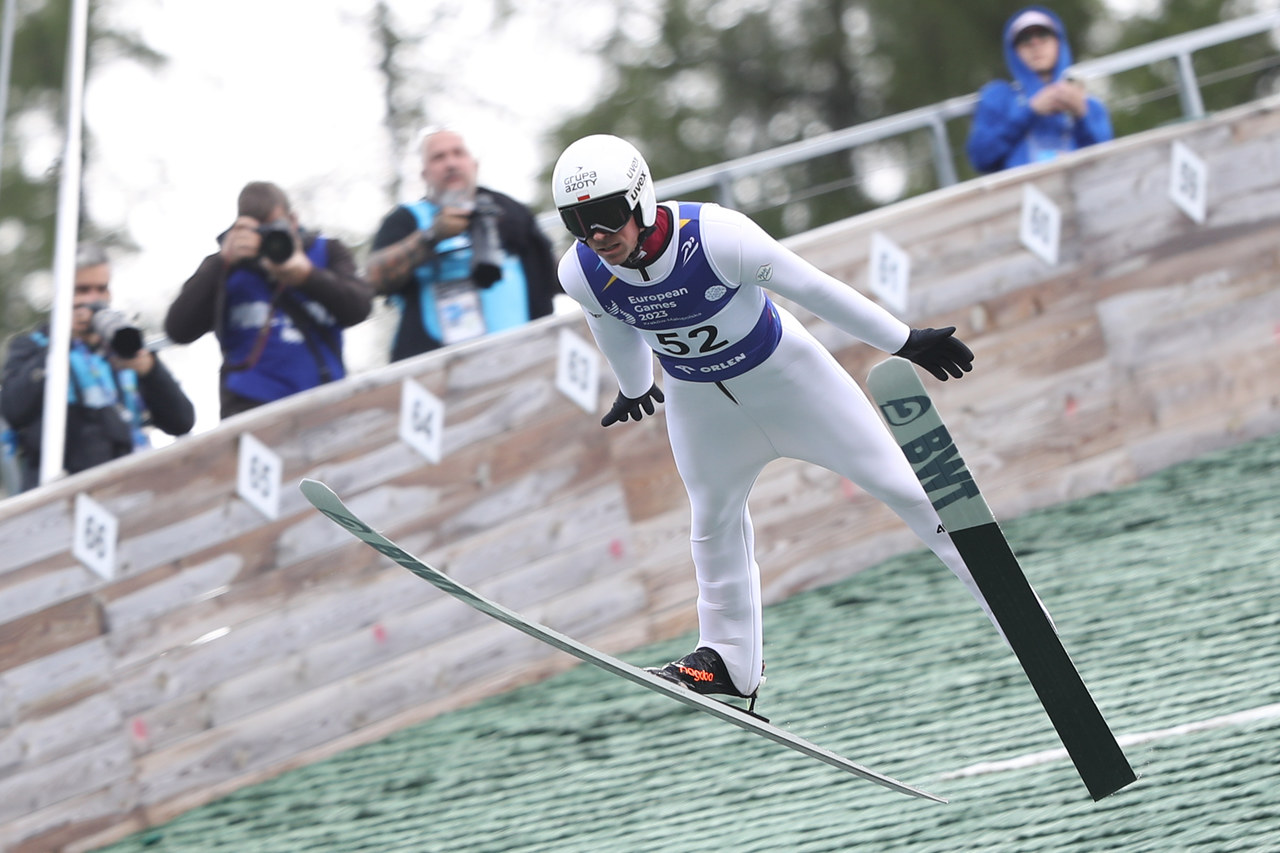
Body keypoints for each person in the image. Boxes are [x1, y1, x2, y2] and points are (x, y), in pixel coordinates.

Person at [551, 134, 1007, 704]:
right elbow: (608, 322)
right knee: (712, 523)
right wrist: (634, 386)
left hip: (790, 381)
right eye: (578, 222)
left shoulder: (717, 235)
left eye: (606, 216)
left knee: (907, 489)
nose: (596, 236)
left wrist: (905, 339)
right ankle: (727, 661)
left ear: (641, 201)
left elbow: (813, 287)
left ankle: (1008, 606)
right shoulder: (582, 272)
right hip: (700, 402)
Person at [165, 181, 373, 419]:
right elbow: (178, 330)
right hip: (250, 410)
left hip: (324, 402)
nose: (265, 241)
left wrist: (307, 276)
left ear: (293, 221)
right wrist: (221, 263)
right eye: (258, 233)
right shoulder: (225, 267)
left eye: (274, 229)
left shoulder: (325, 252)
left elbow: (360, 307)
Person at [1, 243, 195, 492]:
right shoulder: (33, 348)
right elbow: (12, 408)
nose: (93, 300)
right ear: (62, 293)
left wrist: (149, 370)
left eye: (101, 289)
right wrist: (62, 346)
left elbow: (182, 421)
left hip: (128, 487)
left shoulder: (122, 345)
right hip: (58, 494)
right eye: (82, 290)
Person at [365, 128, 558, 362]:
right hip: (439, 372)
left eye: (458, 153)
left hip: (524, 358)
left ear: (474, 165)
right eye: (439, 157)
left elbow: (554, 274)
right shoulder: (407, 219)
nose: (451, 163)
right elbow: (374, 279)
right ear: (424, 174)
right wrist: (431, 237)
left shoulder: (511, 212)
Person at [966, 6, 1113, 174]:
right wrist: (1030, 111)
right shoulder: (999, 98)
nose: (1035, 45)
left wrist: (1081, 115)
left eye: (1043, 35)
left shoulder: (1088, 105)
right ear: (1013, 51)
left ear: (1059, 43)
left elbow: (1106, 163)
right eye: (1024, 39)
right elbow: (981, 159)